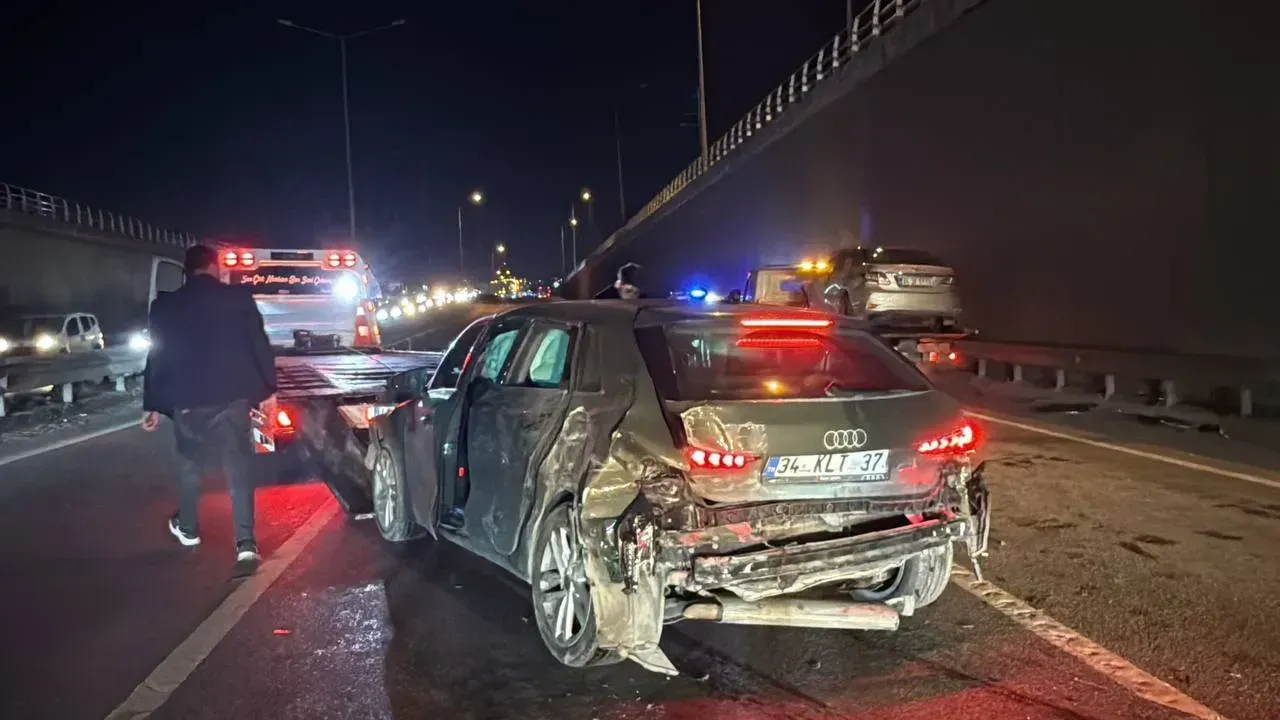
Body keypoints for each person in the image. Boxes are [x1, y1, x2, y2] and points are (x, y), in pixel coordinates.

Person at [141, 244, 277, 571]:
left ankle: (188, 528)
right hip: (232, 397)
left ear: (186, 271)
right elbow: (259, 344)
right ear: (215, 268)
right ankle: (246, 545)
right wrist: (269, 391)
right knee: (238, 468)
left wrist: (151, 405)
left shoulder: (164, 306)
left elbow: (156, 355)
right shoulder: (239, 299)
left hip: (186, 400)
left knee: (190, 465)